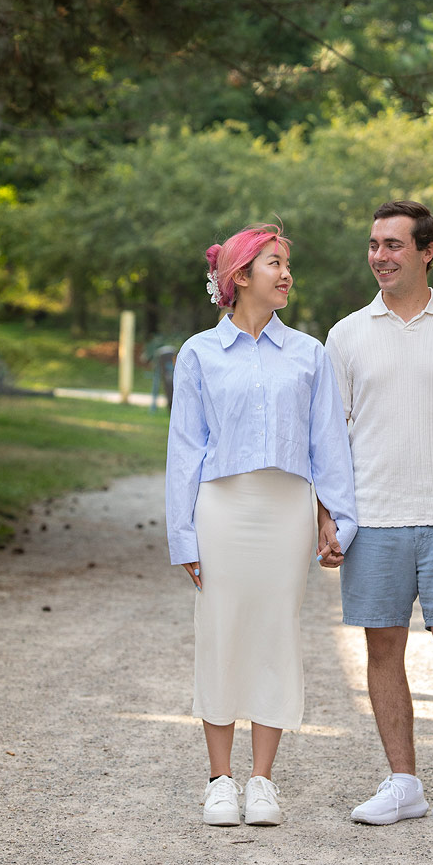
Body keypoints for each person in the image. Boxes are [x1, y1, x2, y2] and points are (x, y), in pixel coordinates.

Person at [320, 200, 433, 832]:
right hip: (372, 519)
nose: (380, 256)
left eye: (393, 245)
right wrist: (327, 513)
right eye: (374, 245)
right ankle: (403, 784)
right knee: (382, 650)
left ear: (427, 251)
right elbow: (328, 437)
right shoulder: (346, 335)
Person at [165, 224, 356, 828]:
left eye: (287, 264)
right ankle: (220, 780)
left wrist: (338, 519)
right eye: (275, 263)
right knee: (220, 633)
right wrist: (182, 534)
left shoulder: (309, 353)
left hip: (287, 510)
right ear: (241, 276)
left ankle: (262, 781)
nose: (287, 274)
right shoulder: (198, 354)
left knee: (275, 633)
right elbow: (184, 449)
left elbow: (329, 445)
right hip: (221, 508)